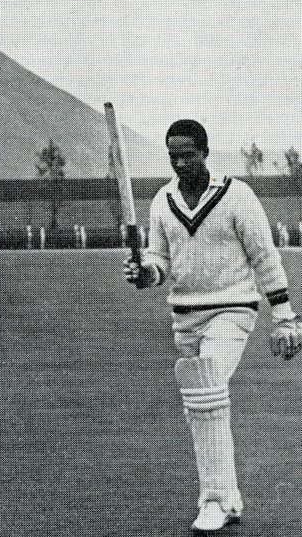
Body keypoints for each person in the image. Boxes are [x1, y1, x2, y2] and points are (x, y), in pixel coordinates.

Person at [123, 119, 302, 533]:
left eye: (188, 154)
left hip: (233, 309)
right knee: (201, 407)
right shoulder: (162, 201)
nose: (181, 162)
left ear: (205, 152)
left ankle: (215, 502)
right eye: (173, 156)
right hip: (184, 317)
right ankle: (230, 497)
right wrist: (145, 273)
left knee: (206, 388)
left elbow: (265, 256)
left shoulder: (237, 195)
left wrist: (284, 316)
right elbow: (160, 263)